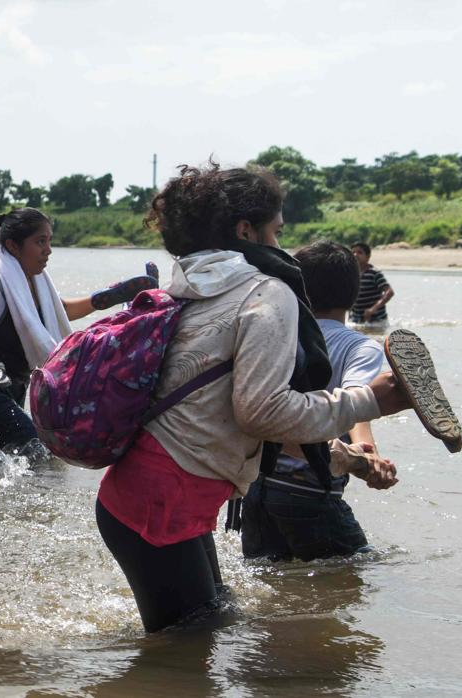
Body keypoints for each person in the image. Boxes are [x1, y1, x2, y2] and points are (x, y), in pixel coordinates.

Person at [94, 162, 425, 633]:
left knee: (209, 626)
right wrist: (369, 401)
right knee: (190, 652)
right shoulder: (265, 294)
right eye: (277, 231)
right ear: (246, 230)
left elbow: (233, 414)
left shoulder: (189, 286)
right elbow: (264, 413)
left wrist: (348, 458)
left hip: (144, 496)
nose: (280, 245)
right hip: (162, 504)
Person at [0, 207, 158, 454]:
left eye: (49, 241)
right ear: (13, 246)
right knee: (35, 450)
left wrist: (105, 299)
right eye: (40, 241)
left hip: (9, 385)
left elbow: (60, 310)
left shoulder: (35, 282)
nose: (49, 249)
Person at [241, 241, 397, 560]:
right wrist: (369, 457)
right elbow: (355, 403)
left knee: (273, 586)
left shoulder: (278, 336)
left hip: (257, 489)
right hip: (310, 488)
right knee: (359, 575)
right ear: (353, 295)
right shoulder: (359, 347)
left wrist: (369, 453)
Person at [349, 242, 393, 325]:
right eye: (353, 252)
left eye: (360, 252)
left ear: (368, 257)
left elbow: (389, 292)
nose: (355, 255)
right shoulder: (350, 274)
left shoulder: (374, 273)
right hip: (356, 320)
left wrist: (373, 309)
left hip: (377, 320)